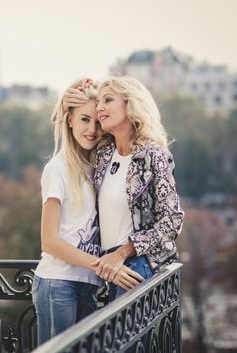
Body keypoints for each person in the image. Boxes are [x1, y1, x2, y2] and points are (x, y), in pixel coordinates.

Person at [32, 78, 144, 345]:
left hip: (89, 284)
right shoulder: (57, 170)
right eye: (83, 119)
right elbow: (50, 242)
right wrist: (107, 268)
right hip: (58, 283)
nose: (92, 129)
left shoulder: (98, 166)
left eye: (96, 121)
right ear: (69, 121)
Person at [63, 76, 184, 301]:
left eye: (107, 100)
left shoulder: (153, 155)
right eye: (98, 101)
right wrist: (65, 102)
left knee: (128, 338)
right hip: (106, 270)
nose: (99, 107)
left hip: (137, 267)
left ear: (131, 104)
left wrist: (122, 253)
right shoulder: (103, 154)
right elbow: (73, 137)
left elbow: (172, 220)